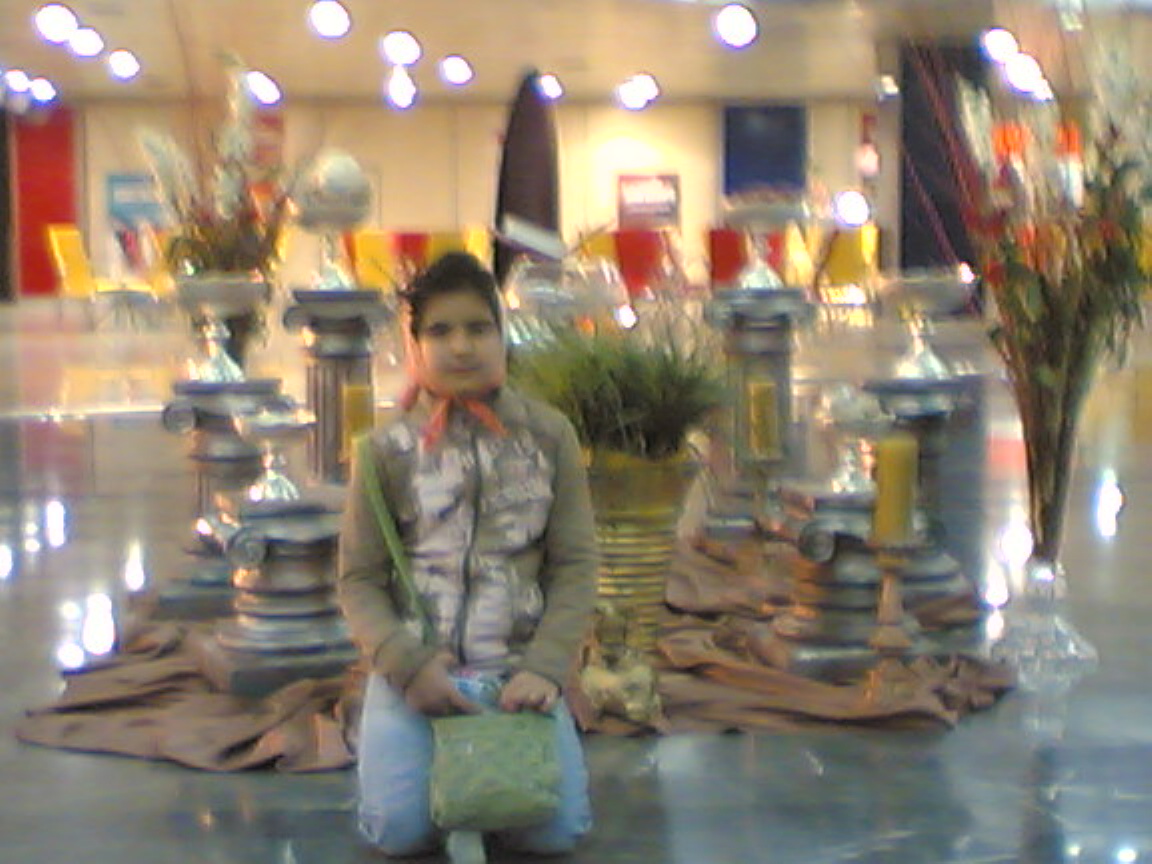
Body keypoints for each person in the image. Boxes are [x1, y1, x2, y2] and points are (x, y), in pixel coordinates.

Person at [337, 251, 598, 860]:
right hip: (417, 678)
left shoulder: (549, 435)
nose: (461, 347)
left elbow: (576, 564)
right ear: (416, 344)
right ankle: (392, 741)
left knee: (556, 835)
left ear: (502, 334)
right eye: (440, 331)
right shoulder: (384, 450)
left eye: (478, 328)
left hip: (517, 676)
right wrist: (406, 667)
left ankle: (475, 786)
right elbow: (358, 579)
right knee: (399, 835)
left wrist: (546, 668)